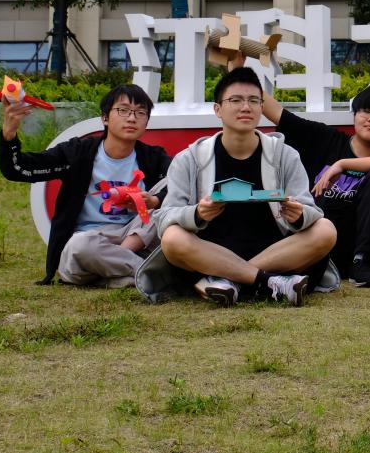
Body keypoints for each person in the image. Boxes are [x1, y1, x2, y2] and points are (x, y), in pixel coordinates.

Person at [135, 67, 337, 306]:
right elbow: (165, 217)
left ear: (262, 107)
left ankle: (230, 281)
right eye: (236, 100)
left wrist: (299, 215)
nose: (246, 107)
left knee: (325, 229)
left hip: (276, 252)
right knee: (172, 238)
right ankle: (269, 282)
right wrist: (197, 214)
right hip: (210, 252)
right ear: (217, 109)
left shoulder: (285, 155)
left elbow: (310, 209)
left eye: (254, 101)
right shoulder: (190, 158)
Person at [0, 84, 171, 288]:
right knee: (80, 245)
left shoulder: (153, 158)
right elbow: (18, 169)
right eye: (123, 110)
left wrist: (154, 201)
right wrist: (9, 133)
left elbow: (183, 186)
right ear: (104, 118)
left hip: (134, 238)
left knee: (167, 201)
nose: (132, 118)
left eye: (140, 112)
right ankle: (152, 274)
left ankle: (115, 272)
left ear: (146, 122)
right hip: (89, 242)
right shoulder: (77, 153)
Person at [258, 80, 370, 287]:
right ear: (355, 115)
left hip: (359, 255)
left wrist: (342, 164)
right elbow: (276, 112)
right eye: (366, 111)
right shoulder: (326, 139)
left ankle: (362, 262)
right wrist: (237, 70)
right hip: (315, 245)